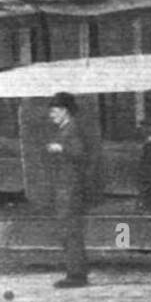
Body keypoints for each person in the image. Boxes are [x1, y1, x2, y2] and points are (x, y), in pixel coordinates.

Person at [45, 92, 90, 288]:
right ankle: (74, 272)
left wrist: (60, 148)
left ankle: (76, 275)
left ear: (65, 111)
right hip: (66, 188)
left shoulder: (72, 130)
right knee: (68, 231)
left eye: (54, 111)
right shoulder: (67, 129)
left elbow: (80, 154)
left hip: (70, 189)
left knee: (71, 231)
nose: (51, 115)